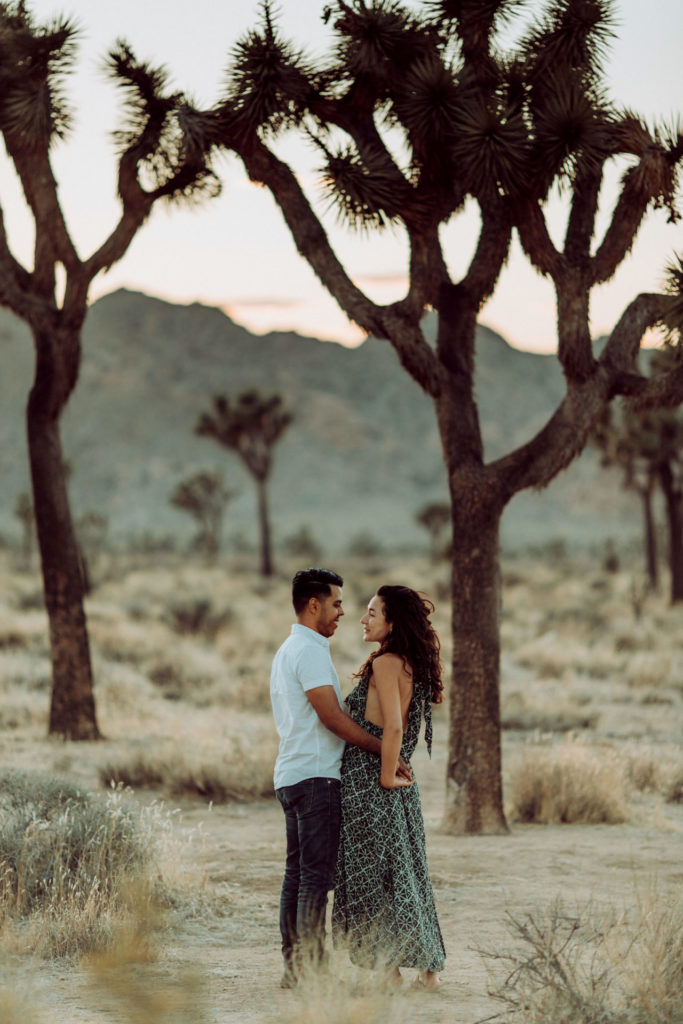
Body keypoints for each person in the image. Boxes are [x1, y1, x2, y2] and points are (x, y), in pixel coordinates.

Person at [270, 568, 411, 988]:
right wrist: (384, 747)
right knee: (314, 878)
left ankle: (295, 969)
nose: (343, 613)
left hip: (292, 774)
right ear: (314, 605)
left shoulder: (287, 650)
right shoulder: (309, 652)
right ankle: (309, 971)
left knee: (297, 874)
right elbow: (331, 718)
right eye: (335, 604)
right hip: (316, 779)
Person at [332, 584, 446, 987]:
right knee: (407, 872)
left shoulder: (385, 663)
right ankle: (426, 970)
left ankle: (390, 971)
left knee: (375, 875)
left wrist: (383, 774)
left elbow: (394, 725)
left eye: (372, 613)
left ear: (392, 622)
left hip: (371, 782)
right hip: (397, 783)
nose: (363, 619)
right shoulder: (408, 663)